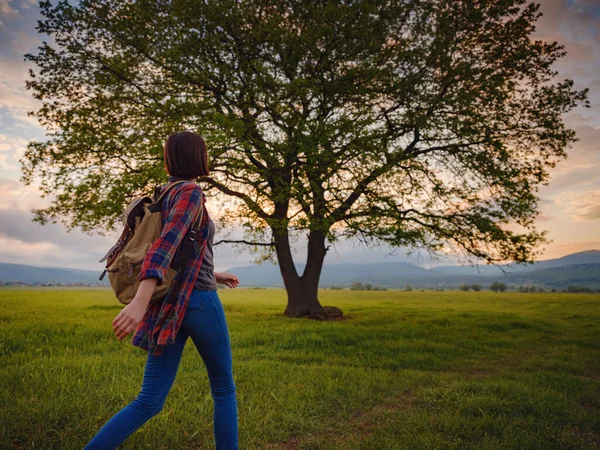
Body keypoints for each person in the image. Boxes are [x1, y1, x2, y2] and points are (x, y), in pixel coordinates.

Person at [85, 131, 240, 449]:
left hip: (170, 302)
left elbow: (184, 249)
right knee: (223, 389)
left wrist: (215, 273)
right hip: (196, 302)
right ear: (199, 157)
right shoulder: (190, 193)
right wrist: (139, 302)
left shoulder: (164, 192)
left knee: (149, 401)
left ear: (169, 157)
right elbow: (163, 247)